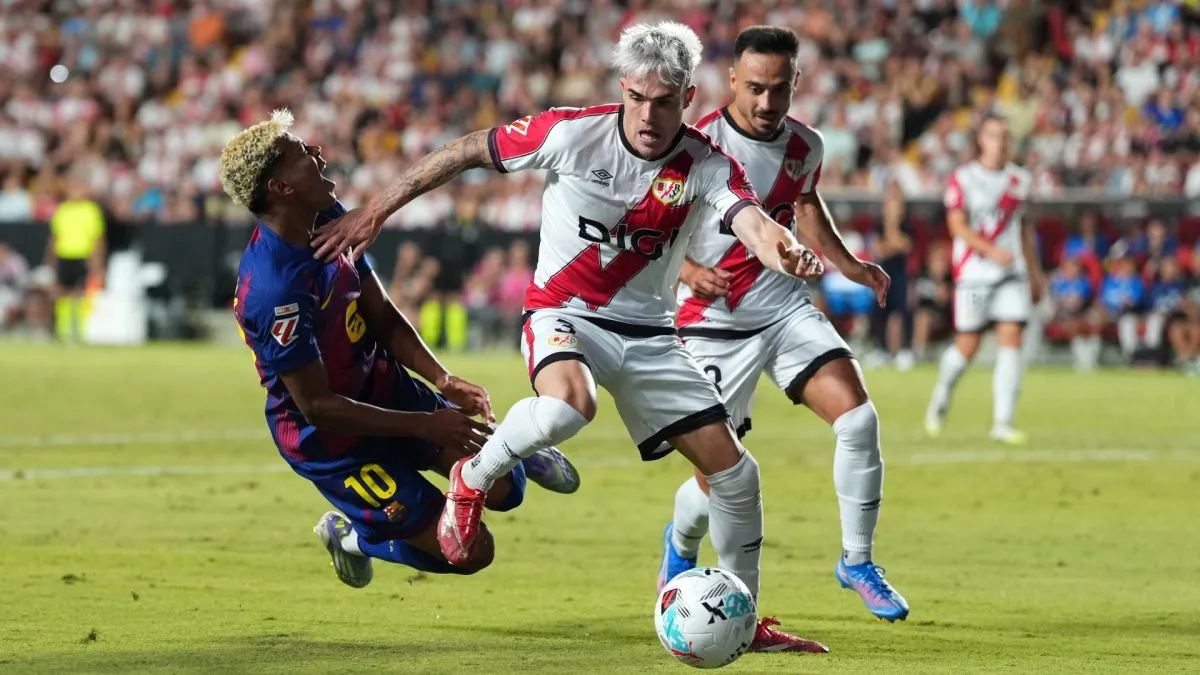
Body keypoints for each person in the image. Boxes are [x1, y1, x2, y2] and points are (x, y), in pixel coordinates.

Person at [316, 21, 830, 653]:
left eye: (664, 101)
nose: (647, 114)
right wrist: (376, 209)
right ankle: (473, 479)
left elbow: (751, 223)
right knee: (568, 405)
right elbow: (467, 150)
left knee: (737, 476)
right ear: (622, 89)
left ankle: (744, 623)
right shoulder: (570, 132)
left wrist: (787, 252)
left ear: (688, 98)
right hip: (566, 313)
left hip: (650, 335)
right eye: (637, 98)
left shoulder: (705, 163)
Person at [218, 109, 579, 589]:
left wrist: (442, 379)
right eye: (302, 154)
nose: (317, 153)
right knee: (470, 551)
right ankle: (353, 536)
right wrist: (428, 423)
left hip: (383, 388)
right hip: (333, 442)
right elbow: (319, 407)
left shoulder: (325, 216)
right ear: (281, 187)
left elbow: (381, 313)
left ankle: (517, 454)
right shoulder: (272, 289)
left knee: (506, 491)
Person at [660, 26, 908, 623]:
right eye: (754, 89)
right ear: (730, 82)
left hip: (783, 306)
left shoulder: (806, 145)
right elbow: (648, 230)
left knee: (858, 417)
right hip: (713, 323)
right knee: (719, 477)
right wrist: (689, 269)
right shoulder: (694, 146)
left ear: (796, 82)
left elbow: (803, 206)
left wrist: (851, 266)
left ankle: (856, 561)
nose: (767, 104)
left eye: (778, 89)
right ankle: (681, 540)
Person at [925, 113, 1046, 444]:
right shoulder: (963, 178)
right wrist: (991, 251)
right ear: (982, 140)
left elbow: (1024, 228)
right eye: (995, 135)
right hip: (974, 274)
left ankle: (1002, 422)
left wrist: (1035, 273)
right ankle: (942, 393)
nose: (1001, 142)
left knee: (1012, 340)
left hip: (1012, 273)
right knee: (968, 346)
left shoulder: (1020, 180)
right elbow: (957, 227)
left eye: (1006, 136)